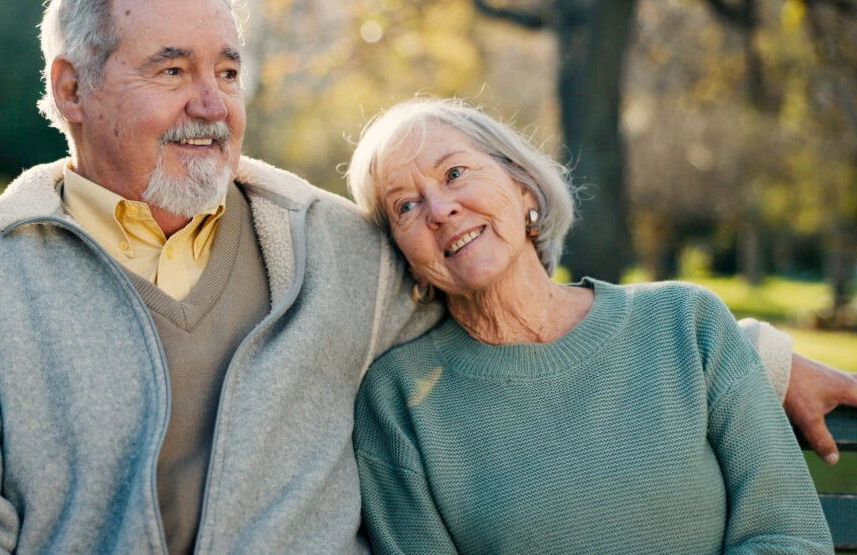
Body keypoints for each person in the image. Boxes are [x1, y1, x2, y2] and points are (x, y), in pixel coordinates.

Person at [0, 0, 853, 555]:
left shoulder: (334, 252)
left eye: (229, 70)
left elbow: (500, 287)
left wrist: (761, 359)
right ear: (72, 91)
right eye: (171, 70)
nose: (212, 105)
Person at [347, 99, 832, 554]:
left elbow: (790, 536)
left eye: (454, 173)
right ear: (402, 255)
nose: (439, 210)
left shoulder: (688, 322)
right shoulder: (398, 400)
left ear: (523, 189)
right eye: (405, 206)